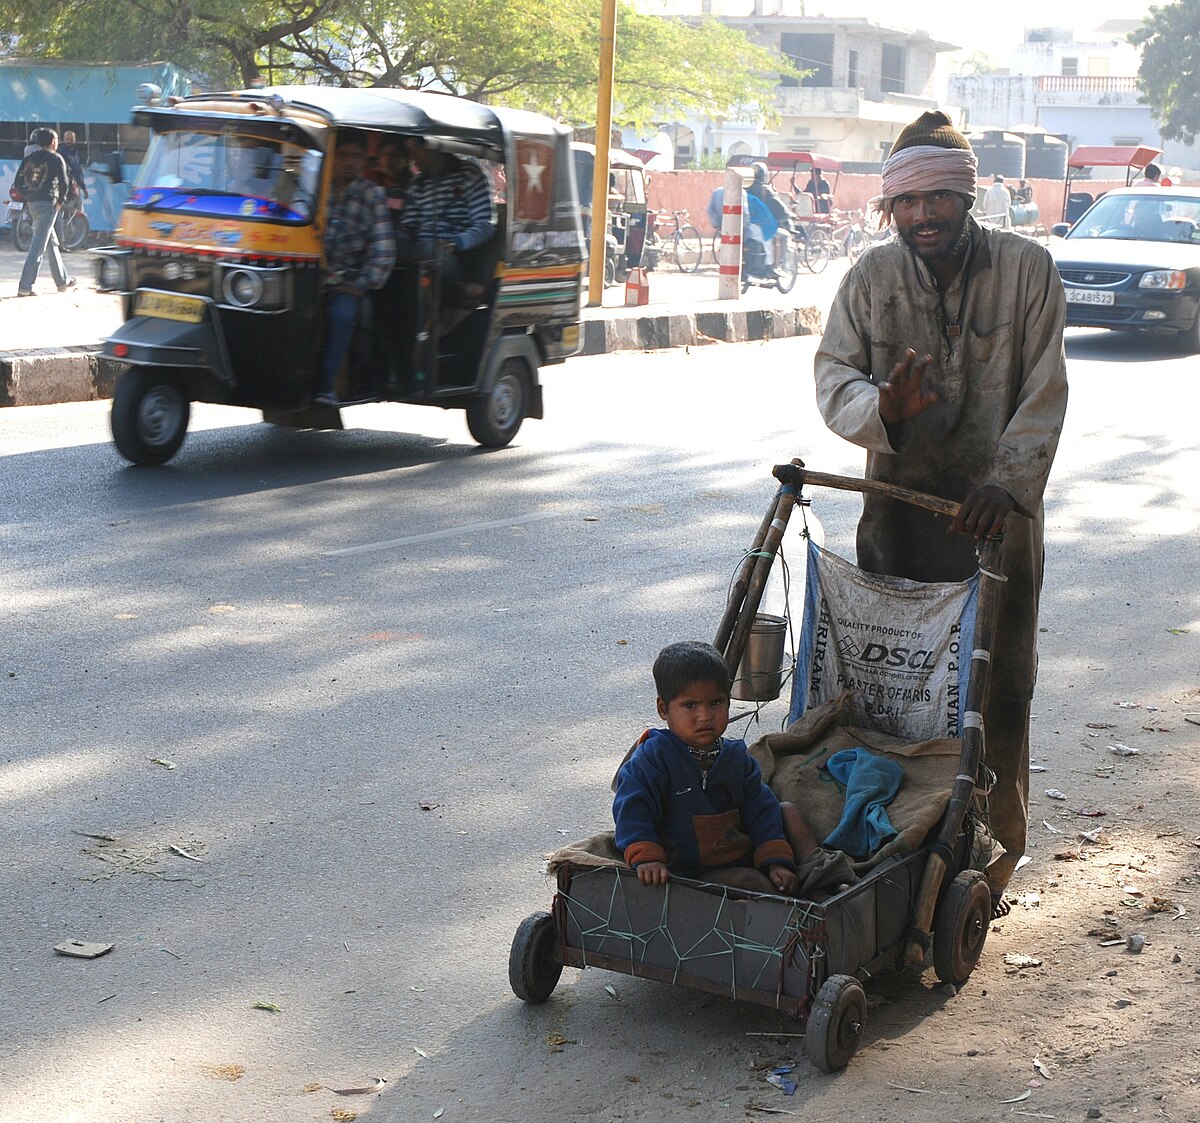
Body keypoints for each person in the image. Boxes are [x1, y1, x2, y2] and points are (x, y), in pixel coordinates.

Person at [813, 109, 1068, 918]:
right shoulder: (868, 280)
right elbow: (832, 379)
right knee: (894, 689)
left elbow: (1046, 388)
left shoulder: (1029, 270)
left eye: (938, 199)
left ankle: (991, 858)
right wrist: (879, 406)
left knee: (999, 688)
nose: (923, 216)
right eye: (907, 202)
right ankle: (896, 848)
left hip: (998, 526)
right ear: (889, 208)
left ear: (967, 196)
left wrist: (1009, 481)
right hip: (898, 519)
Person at [613, 641, 819, 894]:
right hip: (692, 872)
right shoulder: (653, 758)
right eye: (690, 706)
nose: (705, 716)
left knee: (787, 811)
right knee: (750, 882)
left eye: (716, 703)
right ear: (663, 709)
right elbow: (633, 808)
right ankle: (790, 905)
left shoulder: (736, 758)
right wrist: (648, 858)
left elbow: (761, 809)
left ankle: (821, 877)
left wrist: (776, 861)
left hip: (741, 854)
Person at [313, 132, 395, 407]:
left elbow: (383, 250)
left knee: (342, 316)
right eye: (343, 155)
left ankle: (326, 387)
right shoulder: (315, 188)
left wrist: (360, 284)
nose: (349, 162)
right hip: (308, 277)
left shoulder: (372, 195)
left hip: (347, 282)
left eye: (355, 156)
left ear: (363, 161)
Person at [398, 139, 494, 283]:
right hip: (419, 251)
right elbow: (408, 227)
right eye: (409, 150)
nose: (413, 156)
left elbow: (485, 225)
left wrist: (455, 243)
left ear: (435, 146)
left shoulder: (468, 173)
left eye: (417, 149)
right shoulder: (416, 184)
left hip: (456, 256)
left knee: (430, 249)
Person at [14, 127, 75, 297]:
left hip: (32, 204)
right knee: (38, 247)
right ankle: (25, 286)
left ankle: (62, 281)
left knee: (51, 242)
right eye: (56, 140)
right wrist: (61, 201)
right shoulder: (55, 158)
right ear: (52, 141)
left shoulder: (29, 159)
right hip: (49, 205)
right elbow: (64, 182)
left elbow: (17, 182)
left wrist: (27, 197)